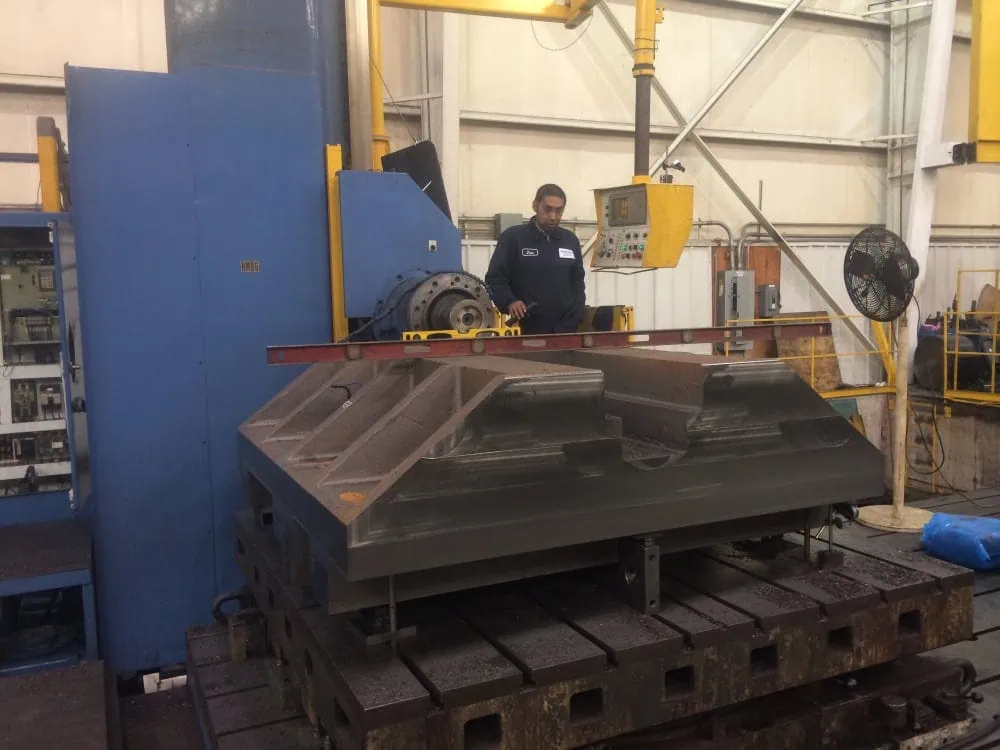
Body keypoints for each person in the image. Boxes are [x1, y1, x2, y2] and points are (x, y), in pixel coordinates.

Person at [485, 184, 586, 335]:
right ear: (535, 206)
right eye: (547, 209)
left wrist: (576, 314)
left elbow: (578, 283)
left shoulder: (570, 240)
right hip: (527, 329)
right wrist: (510, 301)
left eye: (558, 211)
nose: (553, 216)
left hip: (566, 330)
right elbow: (495, 278)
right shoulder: (513, 238)